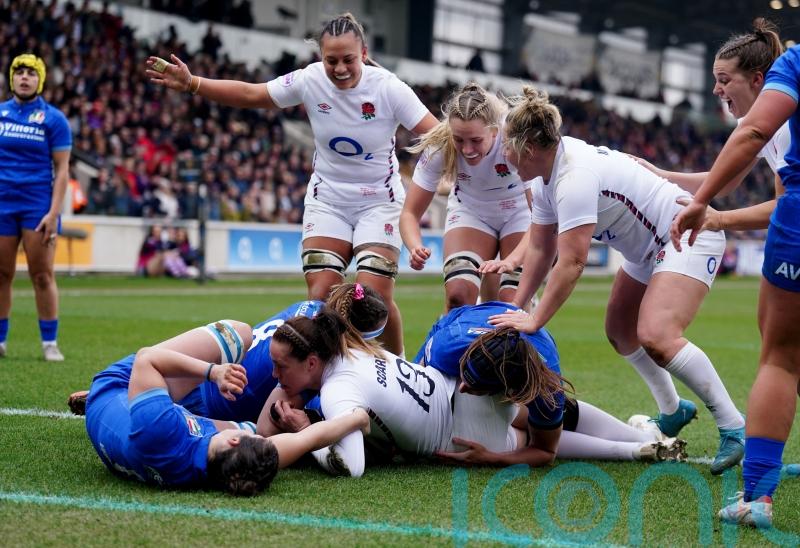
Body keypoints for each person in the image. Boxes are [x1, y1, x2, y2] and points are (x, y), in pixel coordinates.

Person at [485, 86, 745, 475]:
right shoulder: (545, 177)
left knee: (657, 335)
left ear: (529, 148)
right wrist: (516, 308)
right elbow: (539, 248)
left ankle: (733, 425)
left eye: (507, 145)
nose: (503, 154)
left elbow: (572, 262)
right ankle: (673, 411)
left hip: (688, 234)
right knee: (620, 331)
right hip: (649, 246)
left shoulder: (573, 178)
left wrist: (535, 320)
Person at [146, 12, 438, 356]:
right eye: (331, 60)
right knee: (320, 298)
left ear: (363, 53)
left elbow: (437, 134)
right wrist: (194, 83)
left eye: (348, 59)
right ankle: (332, 372)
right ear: (320, 56)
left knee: (373, 298)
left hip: (379, 202)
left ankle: (398, 366)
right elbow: (251, 94)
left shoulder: (388, 87)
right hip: (328, 200)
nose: (340, 68)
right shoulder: (309, 79)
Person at [268, 304, 684, 478]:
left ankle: (634, 449)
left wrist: (307, 433)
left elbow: (353, 464)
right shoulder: (354, 346)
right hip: (458, 383)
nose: (274, 375)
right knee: (533, 417)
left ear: (312, 362)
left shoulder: (338, 389)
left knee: (532, 439)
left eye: (281, 366)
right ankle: (640, 439)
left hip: (461, 431)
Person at [671, 42, 800, 529]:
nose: (717, 89)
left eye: (724, 79)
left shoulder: (794, 64)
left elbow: (754, 130)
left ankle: (757, 496)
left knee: (781, 358)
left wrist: (703, 203)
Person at [84, 318, 370, 494]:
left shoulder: (159, 431)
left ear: (234, 441)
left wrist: (214, 372)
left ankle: (141, 391)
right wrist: (356, 419)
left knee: (240, 332)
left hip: (115, 387)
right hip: (170, 432)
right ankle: (152, 393)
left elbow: (147, 358)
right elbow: (305, 439)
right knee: (259, 429)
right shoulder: (219, 471)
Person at [416, 301, 686, 465]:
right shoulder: (445, 348)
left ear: (512, 389)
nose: (463, 386)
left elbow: (545, 451)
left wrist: (493, 457)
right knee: (536, 420)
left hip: (525, 365)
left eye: (475, 385)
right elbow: (416, 379)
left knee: (536, 430)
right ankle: (640, 441)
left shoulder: (544, 381)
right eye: (467, 376)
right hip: (462, 332)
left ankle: (639, 445)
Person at [635, 20, 787, 237]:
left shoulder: (788, 128)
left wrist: (719, 219)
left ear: (756, 80)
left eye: (724, 81)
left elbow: (789, 206)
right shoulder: (749, 121)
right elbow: (724, 182)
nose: (716, 90)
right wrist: (660, 175)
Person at [401, 83, 532, 310]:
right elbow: (409, 213)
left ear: (494, 131)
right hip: (471, 211)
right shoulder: (440, 146)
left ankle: (521, 310)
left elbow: (541, 216)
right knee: (458, 296)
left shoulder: (516, 140)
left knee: (511, 300)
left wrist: (513, 260)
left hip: (519, 212)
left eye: (476, 140)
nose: (467, 150)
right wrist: (414, 246)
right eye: (459, 140)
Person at [0, 54, 71, 361]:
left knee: (42, 275)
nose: (24, 77)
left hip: (37, 206)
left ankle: (49, 343)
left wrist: (53, 213)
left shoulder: (54, 119)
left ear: (40, 80)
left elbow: (63, 169)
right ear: (11, 78)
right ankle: (0, 341)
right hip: (3, 203)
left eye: (31, 73)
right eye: (19, 72)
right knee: (1, 274)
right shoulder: (1, 114)